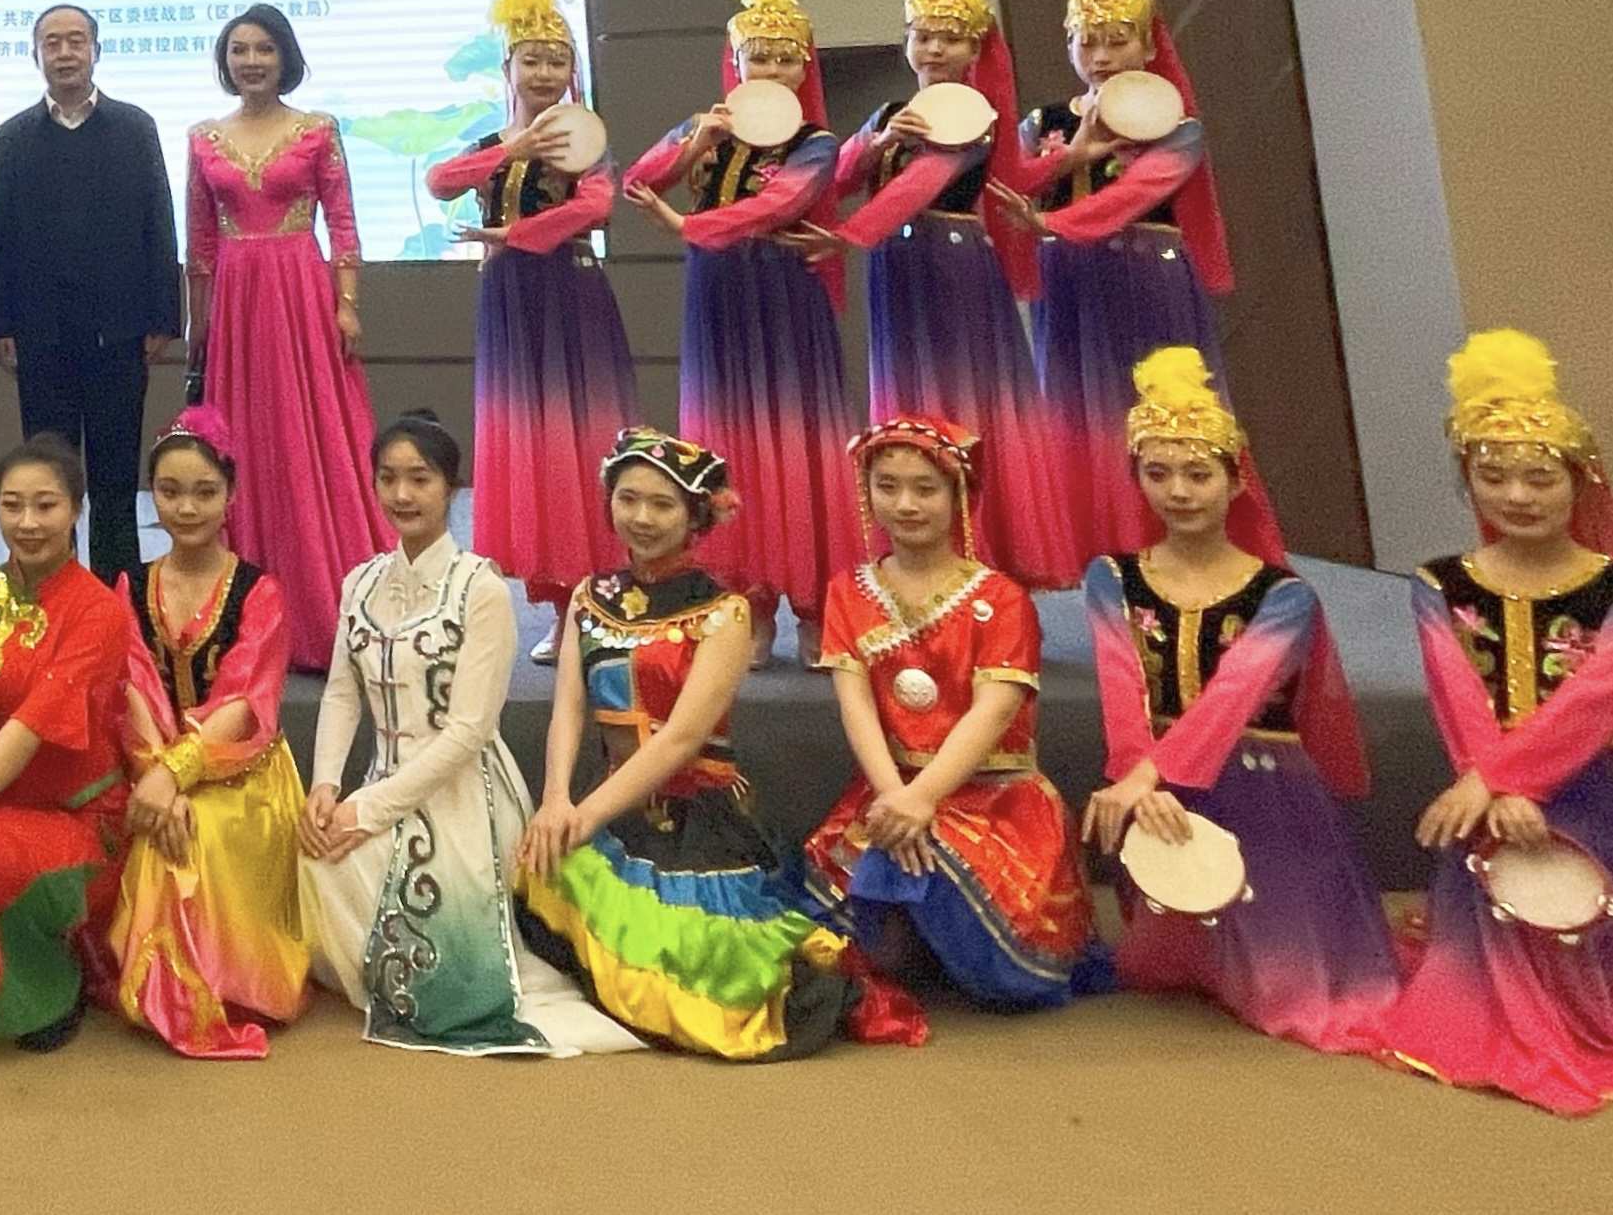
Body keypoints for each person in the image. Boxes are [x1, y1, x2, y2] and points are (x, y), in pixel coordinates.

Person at [513, 429, 864, 1060]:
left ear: (696, 515)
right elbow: (568, 708)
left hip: (697, 813)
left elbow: (681, 738)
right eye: (628, 499)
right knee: (539, 870)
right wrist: (556, 798)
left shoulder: (723, 612)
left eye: (662, 504)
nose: (642, 518)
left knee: (710, 970)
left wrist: (583, 817)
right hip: (607, 801)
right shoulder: (589, 598)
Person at [1078, 348, 1391, 1054]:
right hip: (1154, 788)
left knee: (1285, 988)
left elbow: (1232, 699)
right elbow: (1121, 692)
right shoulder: (1110, 578)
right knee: (1164, 960)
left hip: (1260, 785)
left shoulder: (1283, 595)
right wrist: (1137, 777)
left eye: (1198, 474)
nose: (1178, 491)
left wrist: (1145, 778)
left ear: (1236, 480)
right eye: (1157, 473)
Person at [301, 417, 639, 1057]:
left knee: (438, 941)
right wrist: (325, 785)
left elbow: (466, 733)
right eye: (388, 479)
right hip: (380, 782)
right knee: (316, 853)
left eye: (419, 479)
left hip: (462, 799)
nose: (403, 494)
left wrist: (366, 811)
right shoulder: (360, 582)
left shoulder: (479, 589)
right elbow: (343, 692)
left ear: (451, 488)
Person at [1363, 330, 1613, 1114]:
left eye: (1539, 476)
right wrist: (1493, 788)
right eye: (1492, 475)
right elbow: (1456, 698)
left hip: (1593, 783)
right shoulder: (1440, 583)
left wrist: (1505, 780)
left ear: (1579, 478)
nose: (1516, 495)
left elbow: (1595, 697)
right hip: (1483, 790)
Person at [801, 418, 1103, 1023]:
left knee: (1007, 980)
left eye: (925, 488)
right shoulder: (848, 592)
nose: (905, 504)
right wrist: (896, 798)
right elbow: (856, 705)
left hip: (993, 801)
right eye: (887, 486)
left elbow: (994, 712)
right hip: (891, 789)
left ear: (960, 493)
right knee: (845, 937)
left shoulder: (1002, 599)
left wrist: (922, 801)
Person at [828, 0, 1077, 589]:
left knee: (963, 396)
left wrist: (849, 235)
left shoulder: (977, 115)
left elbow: (924, 183)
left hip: (953, 266)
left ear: (974, 50)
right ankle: (912, 547)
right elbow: (838, 178)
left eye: (951, 39)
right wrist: (876, 140)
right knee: (906, 393)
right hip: (896, 268)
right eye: (924, 37)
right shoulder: (891, 111)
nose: (935, 49)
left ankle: (976, 545)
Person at [627, 0, 850, 633]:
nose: (772, 71)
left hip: (781, 295)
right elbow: (640, 179)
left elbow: (776, 206)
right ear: (736, 61)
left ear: (804, 68)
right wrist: (698, 139)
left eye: (786, 60)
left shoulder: (815, 142)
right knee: (728, 440)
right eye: (760, 57)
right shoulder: (710, 128)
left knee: (793, 440)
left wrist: (685, 227)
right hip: (717, 297)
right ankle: (746, 602)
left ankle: (811, 602)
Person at [425, 0, 636, 630]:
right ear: (508, 67)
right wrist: (512, 147)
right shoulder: (494, 143)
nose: (544, 72)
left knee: (581, 432)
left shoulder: (585, 139)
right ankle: (554, 599)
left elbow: (596, 206)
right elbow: (440, 180)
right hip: (509, 300)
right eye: (532, 59)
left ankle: (598, 586)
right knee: (527, 440)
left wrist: (513, 233)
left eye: (557, 60)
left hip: (570, 291)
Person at [1019, 0, 1235, 561]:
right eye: (1088, 42)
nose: (1103, 56)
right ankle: (1094, 544)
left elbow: (1139, 192)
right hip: (1069, 283)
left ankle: (1172, 543)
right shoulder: (1045, 122)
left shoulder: (1175, 127)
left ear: (1148, 45)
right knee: (1075, 408)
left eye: (1118, 41)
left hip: (1149, 280)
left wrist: (1051, 224)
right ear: (1069, 45)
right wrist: (1073, 157)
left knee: (1160, 408)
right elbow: (1012, 182)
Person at [186, 2, 389, 670]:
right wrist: (198, 323)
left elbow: (344, 223)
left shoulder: (317, 129)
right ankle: (246, 618)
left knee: (310, 438)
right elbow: (200, 242)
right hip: (236, 305)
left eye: (263, 49)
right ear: (225, 61)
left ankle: (330, 609)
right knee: (245, 442)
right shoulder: (202, 137)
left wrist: (348, 304)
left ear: (285, 57)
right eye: (239, 50)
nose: (251, 61)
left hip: (301, 294)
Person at [104, 410, 308, 1060]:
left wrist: (175, 774)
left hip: (243, 773)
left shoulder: (259, 591)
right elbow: (130, 689)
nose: (186, 507)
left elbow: (245, 704)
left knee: (200, 836)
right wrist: (156, 776)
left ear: (231, 494)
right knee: (148, 827)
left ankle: (218, 989)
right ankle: (169, 991)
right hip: (152, 768)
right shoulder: (131, 585)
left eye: (203, 492)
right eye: (169, 491)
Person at [0, 437, 131, 1049]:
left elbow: (34, 722)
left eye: (46, 505)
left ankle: (47, 993)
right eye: (11, 505)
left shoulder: (99, 610)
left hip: (81, 818)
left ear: (76, 509)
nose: (28, 522)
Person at [0, 2, 182, 593]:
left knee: (116, 475)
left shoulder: (134, 127)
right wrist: (3, 325)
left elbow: (158, 222)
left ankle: (117, 597)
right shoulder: (13, 137)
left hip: (119, 332)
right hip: (41, 335)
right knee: (49, 477)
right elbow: (0, 235)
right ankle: (54, 593)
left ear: (97, 50)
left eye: (76, 41)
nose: (65, 53)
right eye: (52, 43)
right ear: (36, 55)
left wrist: (163, 315)